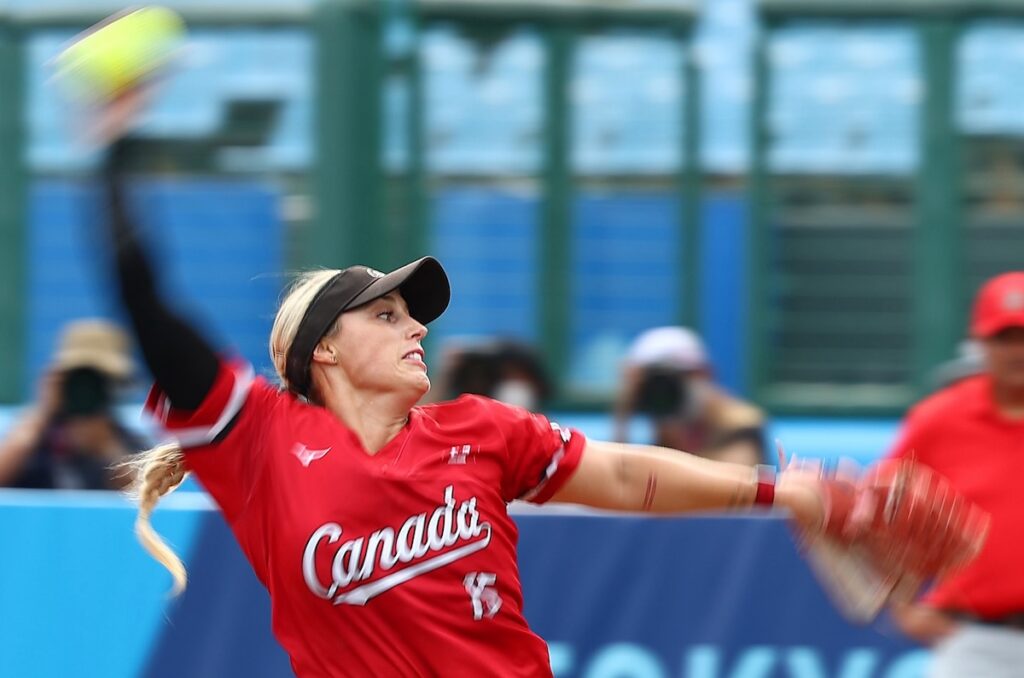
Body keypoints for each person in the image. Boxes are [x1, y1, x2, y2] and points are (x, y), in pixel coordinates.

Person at [98, 126, 841, 676]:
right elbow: (152, 315)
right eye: (385, 315)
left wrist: (775, 491)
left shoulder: (479, 429)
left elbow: (620, 475)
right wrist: (115, 154)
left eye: (412, 314)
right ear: (322, 349)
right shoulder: (258, 440)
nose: (416, 325)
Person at [888, 272, 1024, 678]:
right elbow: (884, 512)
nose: (1018, 351)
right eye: (1005, 337)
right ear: (980, 344)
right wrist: (904, 605)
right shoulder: (939, 420)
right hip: (979, 640)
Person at [0, 318, 145, 490]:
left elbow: (145, 492)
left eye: (95, 382)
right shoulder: (32, 438)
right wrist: (42, 412)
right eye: (78, 379)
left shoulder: (126, 441)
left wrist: (107, 450)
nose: (85, 390)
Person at [613, 326, 766, 466]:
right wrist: (623, 420)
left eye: (673, 381)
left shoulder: (740, 424)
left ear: (704, 375)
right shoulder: (661, 426)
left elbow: (735, 483)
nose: (664, 392)